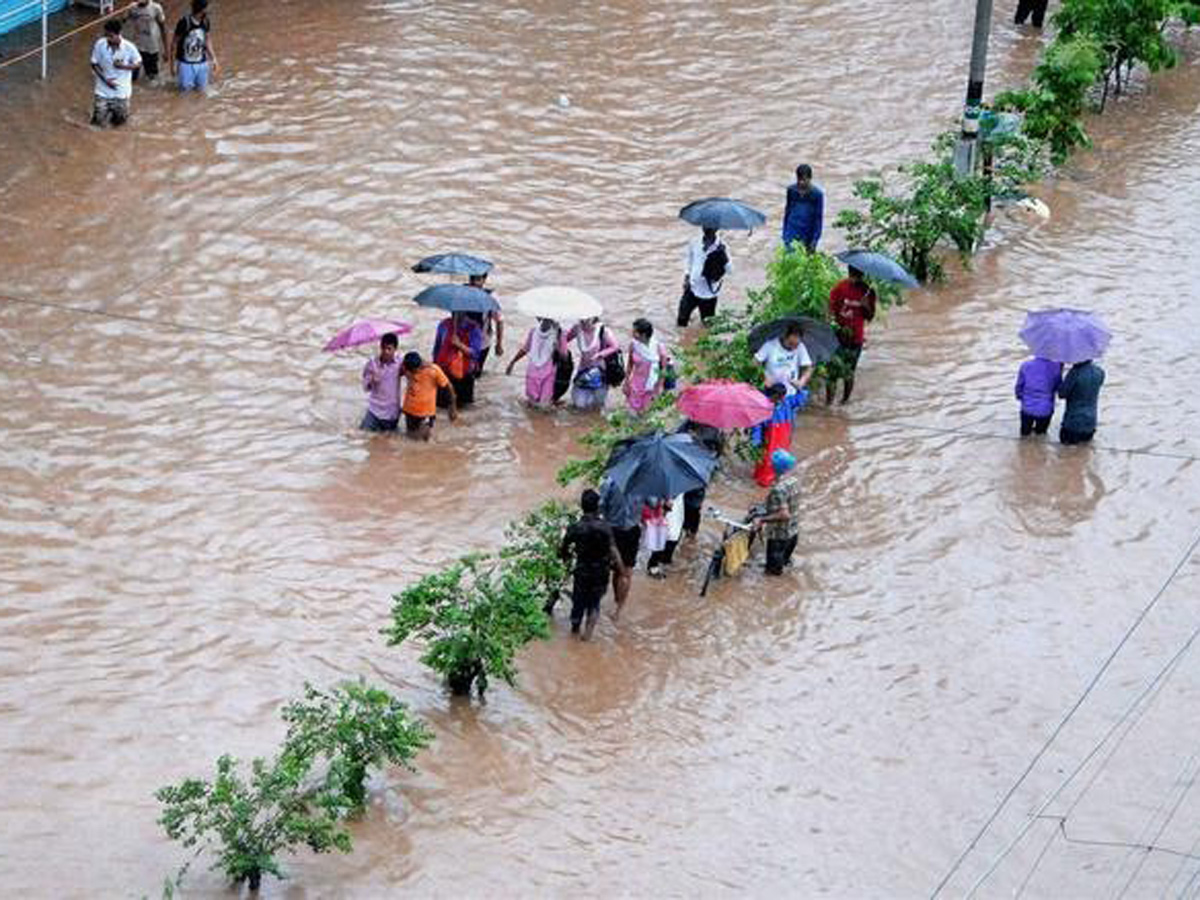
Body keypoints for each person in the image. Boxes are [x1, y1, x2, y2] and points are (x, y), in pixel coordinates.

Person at [559, 489, 627, 640]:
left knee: (578, 601)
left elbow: (563, 548)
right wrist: (622, 571)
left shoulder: (575, 527)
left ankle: (575, 630)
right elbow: (613, 550)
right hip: (600, 571)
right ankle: (587, 636)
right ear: (598, 506)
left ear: (581, 506)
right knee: (594, 603)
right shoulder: (605, 527)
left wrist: (566, 559)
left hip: (582, 570)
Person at [827, 266, 878, 404]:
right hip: (837, 337)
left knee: (849, 373)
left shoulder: (868, 292)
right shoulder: (839, 287)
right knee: (831, 373)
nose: (856, 278)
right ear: (849, 273)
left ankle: (844, 401)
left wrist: (865, 306)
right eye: (854, 275)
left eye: (859, 275)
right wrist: (833, 324)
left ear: (863, 275)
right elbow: (830, 309)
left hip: (856, 339)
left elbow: (870, 317)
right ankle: (828, 403)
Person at [751, 384, 808, 488]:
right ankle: (763, 483)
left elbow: (801, 398)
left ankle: (775, 480)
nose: (776, 400)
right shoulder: (763, 406)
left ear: (782, 397)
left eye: (779, 398)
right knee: (766, 462)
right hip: (769, 440)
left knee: (781, 461)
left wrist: (799, 387)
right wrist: (756, 441)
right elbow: (757, 426)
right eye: (774, 398)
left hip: (783, 439)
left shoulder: (787, 403)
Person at [753, 450, 800, 576]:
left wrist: (762, 520)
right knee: (784, 565)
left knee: (771, 576)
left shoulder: (778, 489)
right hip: (793, 533)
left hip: (779, 537)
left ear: (774, 467)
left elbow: (784, 515)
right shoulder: (794, 481)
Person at [599, 477, 640, 618]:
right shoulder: (644, 483)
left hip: (611, 530)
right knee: (625, 572)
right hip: (632, 531)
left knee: (609, 568)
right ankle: (618, 609)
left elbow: (601, 507)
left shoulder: (609, 482)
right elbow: (652, 504)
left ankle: (599, 605)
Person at [90, 20, 142, 128]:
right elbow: (94, 64)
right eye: (106, 35)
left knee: (119, 124)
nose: (107, 39)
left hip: (122, 93)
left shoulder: (129, 47)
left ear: (119, 34)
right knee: (96, 124)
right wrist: (105, 80)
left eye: (110, 36)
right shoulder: (100, 44)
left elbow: (138, 64)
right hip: (102, 91)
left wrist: (123, 67)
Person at [506, 318, 568, 408]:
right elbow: (525, 349)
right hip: (532, 373)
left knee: (543, 406)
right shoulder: (534, 331)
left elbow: (564, 357)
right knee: (532, 403)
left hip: (548, 374)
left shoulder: (560, 333)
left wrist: (558, 345)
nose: (545, 320)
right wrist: (512, 362)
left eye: (548, 319)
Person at [677, 227, 731, 327]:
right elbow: (689, 260)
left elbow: (729, 270)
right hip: (692, 288)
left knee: (707, 325)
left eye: (710, 225)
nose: (706, 227)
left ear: (716, 228)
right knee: (681, 320)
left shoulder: (722, 247)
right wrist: (686, 277)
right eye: (705, 224)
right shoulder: (695, 242)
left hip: (709, 293)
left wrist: (723, 255)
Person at [565, 317, 620, 410]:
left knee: (597, 405)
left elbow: (615, 346)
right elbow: (565, 339)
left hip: (600, 371)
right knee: (579, 405)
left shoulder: (603, 330)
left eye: (586, 320)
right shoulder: (577, 329)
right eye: (581, 319)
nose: (583, 322)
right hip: (583, 370)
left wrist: (600, 354)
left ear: (593, 318)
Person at [401, 351, 457, 441]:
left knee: (425, 440)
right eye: (411, 371)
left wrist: (452, 407)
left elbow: (449, 387)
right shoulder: (405, 367)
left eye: (415, 370)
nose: (414, 373)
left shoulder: (434, 370)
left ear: (420, 365)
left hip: (426, 412)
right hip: (410, 411)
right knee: (410, 439)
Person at [432, 312, 482, 406]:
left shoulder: (474, 329)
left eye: (460, 312)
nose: (457, 314)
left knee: (464, 407)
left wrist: (459, 345)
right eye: (455, 311)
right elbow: (437, 347)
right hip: (444, 372)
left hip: (464, 373)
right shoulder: (444, 325)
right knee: (442, 406)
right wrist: (434, 367)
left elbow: (476, 353)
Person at [624, 318, 671, 414]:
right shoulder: (633, 344)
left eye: (635, 332)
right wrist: (626, 382)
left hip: (651, 387)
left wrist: (658, 389)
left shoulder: (659, 348)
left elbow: (663, 371)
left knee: (647, 413)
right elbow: (630, 365)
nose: (632, 333)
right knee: (632, 412)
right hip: (635, 385)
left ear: (643, 335)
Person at [754, 323, 813, 396]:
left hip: (790, 393)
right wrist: (763, 377)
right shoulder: (770, 345)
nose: (794, 347)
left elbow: (808, 368)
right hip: (770, 391)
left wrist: (802, 381)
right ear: (786, 336)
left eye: (796, 344)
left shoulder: (800, 347)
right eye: (791, 344)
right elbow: (755, 362)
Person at [173, 0, 219, 93]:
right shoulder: (184, 22)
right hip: (186, 64)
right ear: (201, 10)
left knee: (202, 91)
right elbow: (174, 43)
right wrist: (173, 65)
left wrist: (214, 59)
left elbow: (207, 40)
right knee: (184, 93)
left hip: (202, 62)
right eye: (206, 8)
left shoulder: (206, 22)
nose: (208, 11)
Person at [463, 272, 504, 372]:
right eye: (472, 279)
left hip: (483, 342)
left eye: (477, 279)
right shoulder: (462, 293)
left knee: (476, 372)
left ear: (484, 280)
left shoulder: (490, 297)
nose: (474, 283)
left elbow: (499, 321)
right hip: (463, 341)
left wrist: (498, 344)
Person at [360, 332, 402, 432]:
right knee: (363, 436)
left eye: (389, 349)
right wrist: (372, 380)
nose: (386, 352)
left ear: (395, 349)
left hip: (392, 413)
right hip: (374, 411)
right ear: (380, 347)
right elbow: (365, 388)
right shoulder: (371, 364)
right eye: (383, 348)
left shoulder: (400, 363)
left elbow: (413, 372)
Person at [1058, 359, 1105, 445]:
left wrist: (1059, 373)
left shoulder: (1074, 373)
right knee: (1083, 453)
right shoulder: (1100, 372)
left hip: (1073, 422)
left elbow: (1062, 394)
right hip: (1090, 423)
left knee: (1065, 453)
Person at [1014, 356, 1063, 437]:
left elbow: (1019, 387)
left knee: (1024, 436)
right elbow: (1058, 389)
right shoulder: (1056, 367)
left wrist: (1020, 397)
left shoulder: (1025, 365)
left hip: (1027, 408)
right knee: (1041, 436)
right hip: (1045, 409)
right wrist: (1059, 369)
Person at [782, 164, 824, 252]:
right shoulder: (791, 190)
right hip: (792, 230)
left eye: (804, 180)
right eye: (799, 179)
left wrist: (815, 240)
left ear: (810, 178)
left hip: (807, 232)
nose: (801, 182)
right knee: (790, 257)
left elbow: (818, 218)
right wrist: (784, 233)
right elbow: (787, 211)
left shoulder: (817, 195)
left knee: (805, 261)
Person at [124, 0, 168, 83]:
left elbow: (163, 29)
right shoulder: (132, 7)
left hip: (151, 46)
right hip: (137, 45)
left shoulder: (156, 8)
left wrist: (166, 50)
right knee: (132, 76)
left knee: (152, 77)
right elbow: (122, 23)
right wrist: (125, 12)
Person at [646, 495, 685, 576]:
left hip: (677, 509)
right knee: (663, 537)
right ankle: (653, 566)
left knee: (673, 536)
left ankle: (665, 561)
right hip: (665, 510)